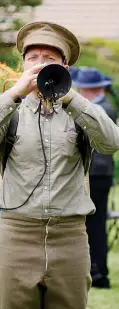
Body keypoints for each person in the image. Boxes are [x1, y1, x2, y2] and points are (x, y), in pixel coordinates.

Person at [0, 21, 119, 309]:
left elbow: (111, 143)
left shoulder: (79, 112)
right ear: (22, 65)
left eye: (49, 59)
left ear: (65, 67)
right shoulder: (9, 110)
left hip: (70, 237)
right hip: (16, 234)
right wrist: (13, 95)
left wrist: (71, 96)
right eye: (32, 58)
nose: (39, 65)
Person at [72, 67, 117, 288]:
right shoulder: (105, 105)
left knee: (93, 225)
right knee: (94, 224)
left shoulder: (98, 107)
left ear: (88, 89)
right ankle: (97, 272)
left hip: (95, 173)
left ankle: (98, 273)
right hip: (101, 173)